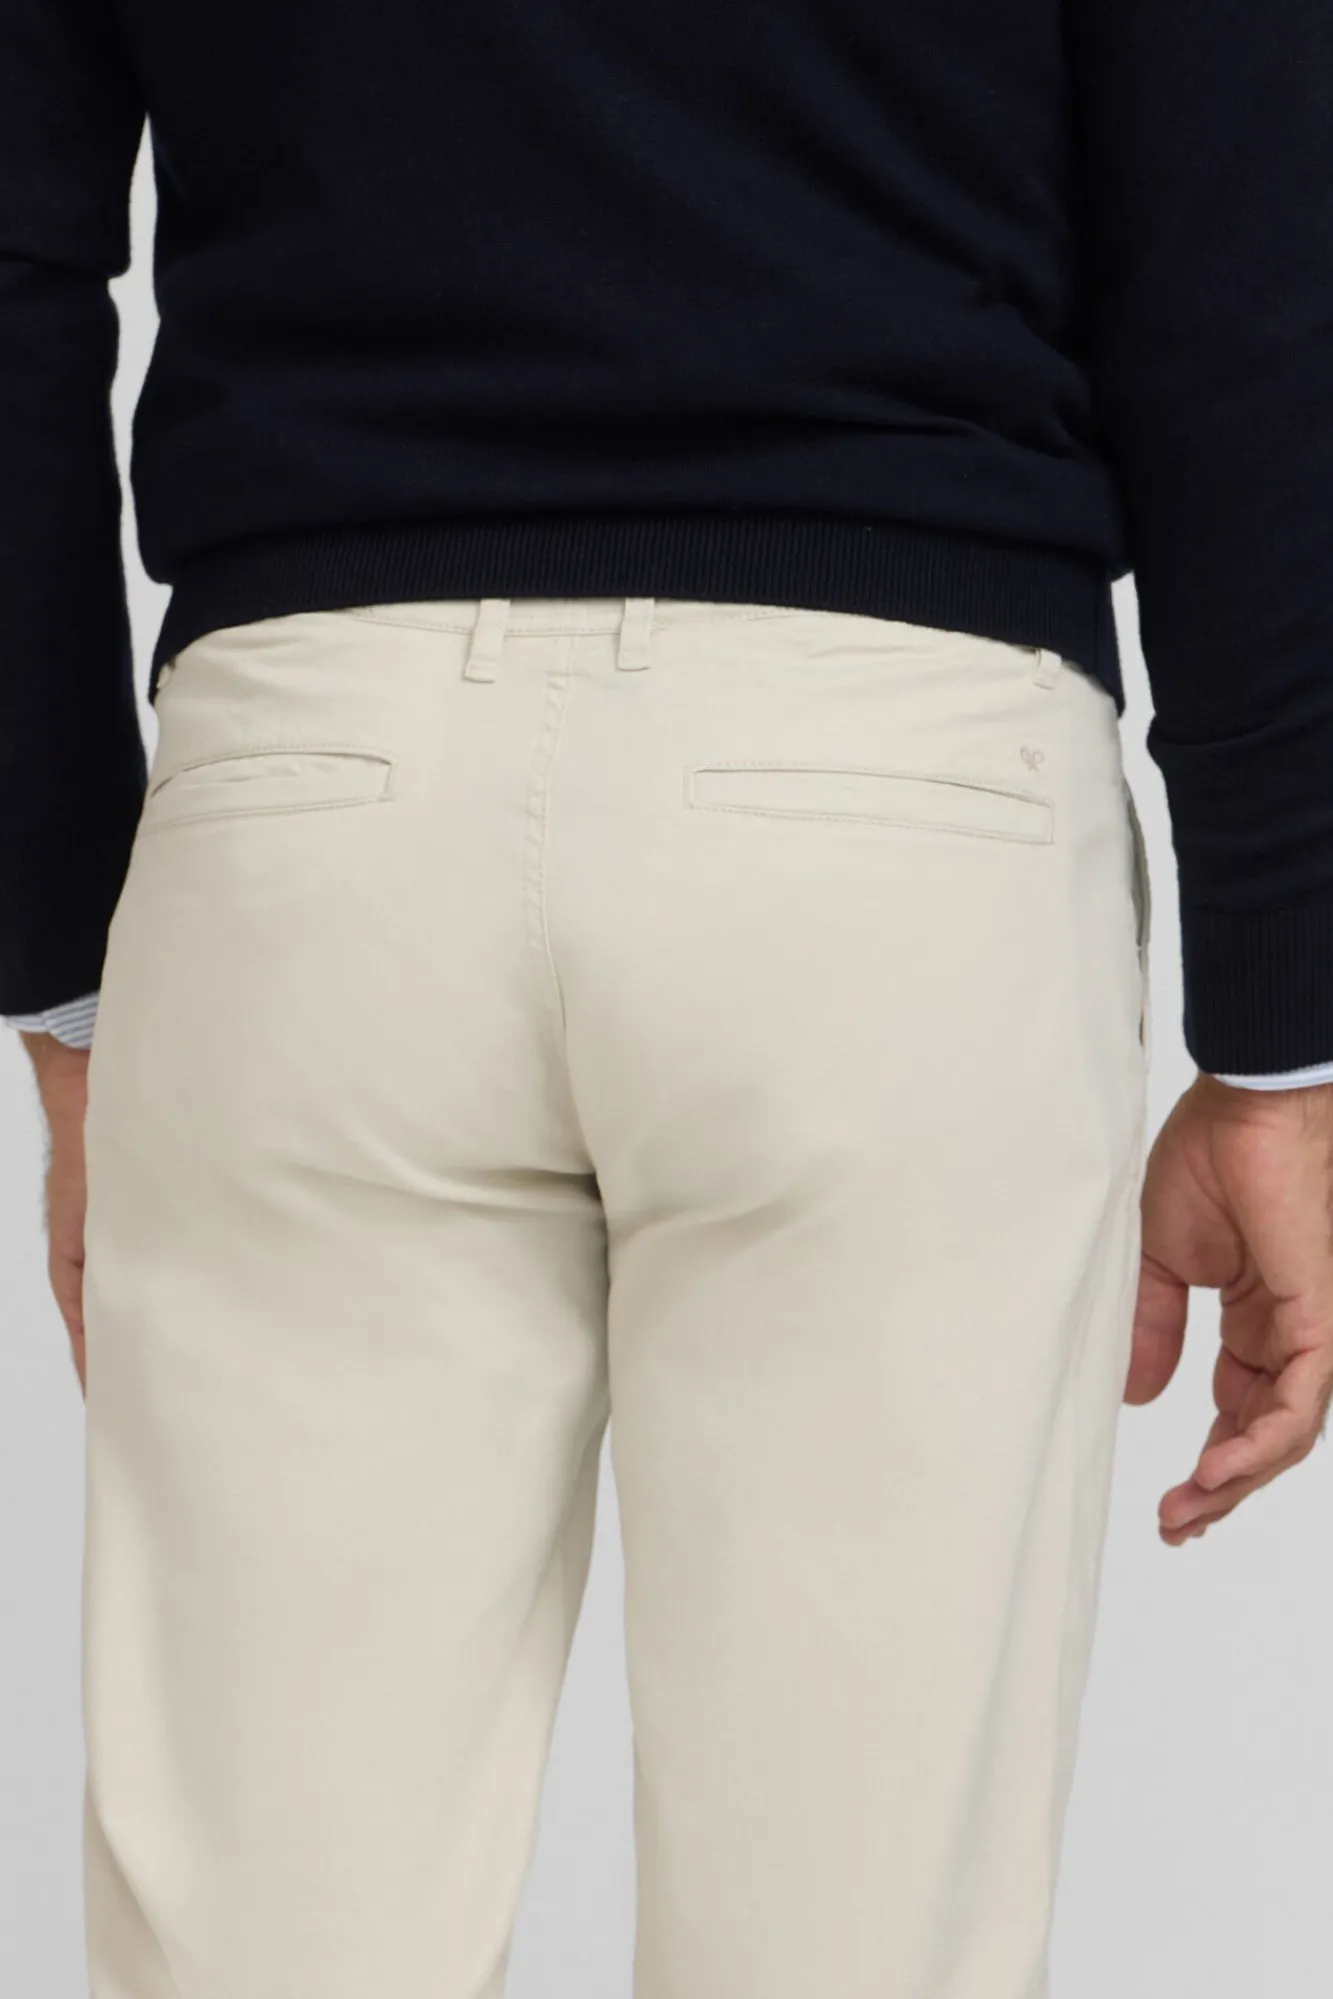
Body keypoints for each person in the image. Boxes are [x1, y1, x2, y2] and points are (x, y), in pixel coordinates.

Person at [3, 0, 1330, 1992]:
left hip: (320, 807)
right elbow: (1249, 255)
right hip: (894, 800)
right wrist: (1279, 1032)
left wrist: (68, 975)